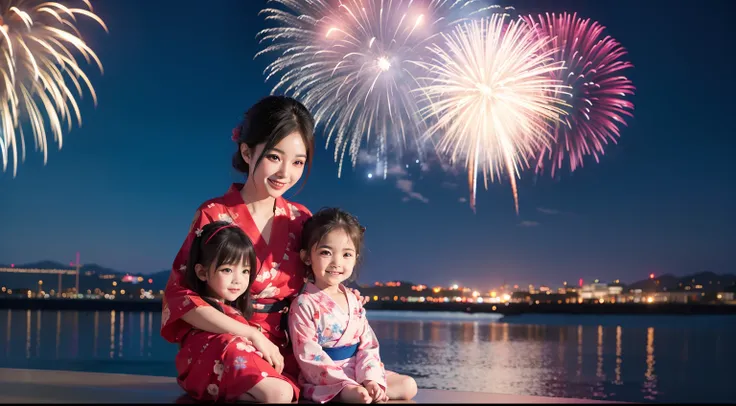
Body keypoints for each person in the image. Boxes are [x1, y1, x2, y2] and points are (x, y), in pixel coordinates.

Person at [161, 95, 363, 402]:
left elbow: (318, 283)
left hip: (289, 343)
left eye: (297, 162)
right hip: (225, 339)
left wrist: (344, 300)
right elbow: (181, 296)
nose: (285, 173)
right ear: (246, 151)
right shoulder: (214, 214)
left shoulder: (300, 219)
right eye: (274, 157)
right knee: (277, 393)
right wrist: (250, 334)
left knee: (369, 385)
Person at [289, 208, 418, 404]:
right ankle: (348, 392)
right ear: (307, 256)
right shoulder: (304, 303)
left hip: (358, 370)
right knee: (354, 393)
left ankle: (368, 390)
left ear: (356, 257)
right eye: (326, 252)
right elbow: (308, 354)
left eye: (346, 254)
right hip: (325, 376)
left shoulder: (353, 299)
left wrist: (370, 379)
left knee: (409, 386)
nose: (336, 262)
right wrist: (345, 383)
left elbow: (368, 345)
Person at [175, 221, 299, 402]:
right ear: (202, 272)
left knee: (283, 390)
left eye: (245, 271)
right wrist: (252, 335)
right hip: (210, 363)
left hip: (220, 370)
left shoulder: (234, 311)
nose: (238, 280)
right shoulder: (199, 311)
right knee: (280, 392)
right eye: (227, 269)